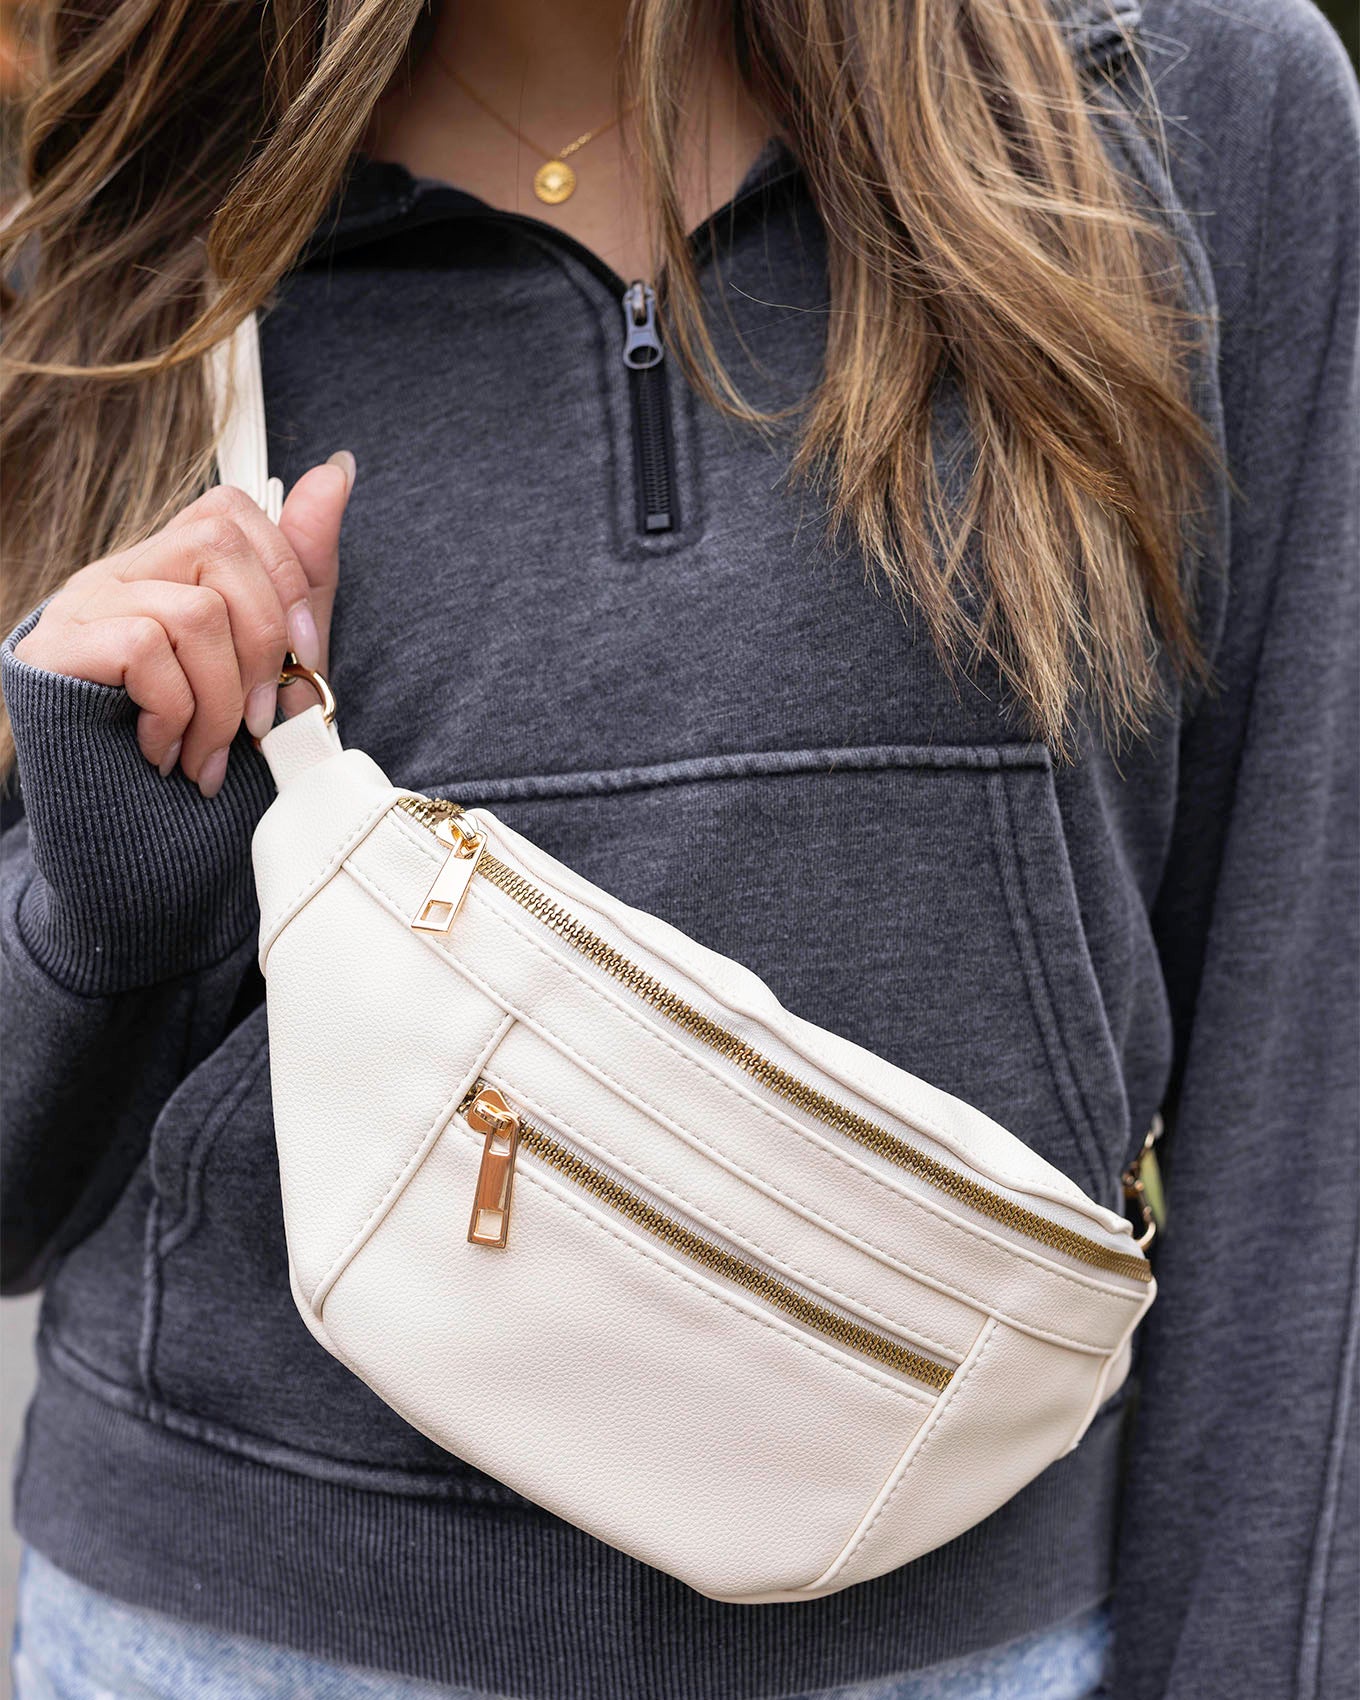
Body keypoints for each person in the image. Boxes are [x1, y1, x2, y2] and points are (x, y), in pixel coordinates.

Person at [1, 0, 1356, 1696]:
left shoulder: (1187, 104)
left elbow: (1306, 1064)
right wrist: (101, 901)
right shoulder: (142, 185)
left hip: (969, 1647)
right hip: (218, 1643)